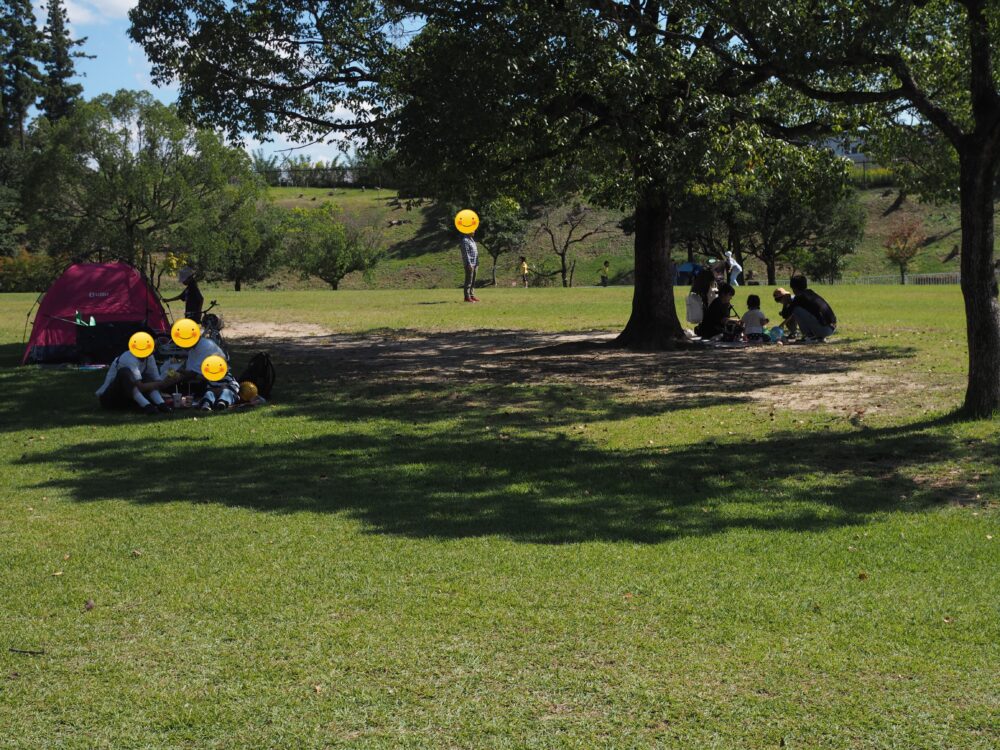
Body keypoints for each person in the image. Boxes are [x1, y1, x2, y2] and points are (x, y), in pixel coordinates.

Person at [96, 342, 172, 415]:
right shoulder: (128, 358)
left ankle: (161, 404)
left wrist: (167, 379)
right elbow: (141, 387)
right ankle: (147, 406)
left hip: (128, 398)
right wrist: (161, 383)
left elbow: (156, 378)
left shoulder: (149, 357)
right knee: (124, 372)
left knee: (147, 376)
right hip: (111, 399)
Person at [181, 335, 238, 410]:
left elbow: (235, 387)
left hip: (224, 392)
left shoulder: (227, 377)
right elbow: (209, 387)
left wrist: (225, 389)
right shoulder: (211, 379)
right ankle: (206, 404)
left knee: (227, 393)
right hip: (214, 394)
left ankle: (222, 402)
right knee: (209, 394)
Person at [778, 276, 837, 341]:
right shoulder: (810, 292)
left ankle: (809, 336)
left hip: (824, 330)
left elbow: (785, 315)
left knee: (796, 309)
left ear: (794, 288)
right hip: (831, 327)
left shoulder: (799, 297)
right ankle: (816, 336)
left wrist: (785, 303)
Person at [460, 232, 479, 302]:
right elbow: (466, 253)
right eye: (473, 230)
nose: (474, 231)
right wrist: (469, 263)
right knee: (469, 280)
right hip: (470, 263)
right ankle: (467, 297)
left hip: (475, 262)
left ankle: (472, 295)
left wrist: (477, 262)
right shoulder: (465, 240)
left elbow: (475, 251)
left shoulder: (471, 239)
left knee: (473, 280)